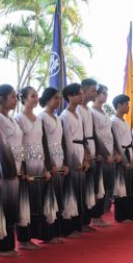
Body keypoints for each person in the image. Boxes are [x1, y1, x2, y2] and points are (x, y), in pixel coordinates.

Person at [15, 86, 52, 247]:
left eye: (37, 96)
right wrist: (22, 167)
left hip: (39, 162)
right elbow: (18, 144)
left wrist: (45, 167)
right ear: (23, 99)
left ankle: (36, 234)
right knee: (26, 202)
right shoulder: (18, 118)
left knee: (38, 201)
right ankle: (24, 239)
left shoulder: (39, 120)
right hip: (26, 164)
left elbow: (42, 143)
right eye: (32, 96)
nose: (36, 99)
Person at [0, 84, 25, 257]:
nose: (15, 100)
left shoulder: (10, 119)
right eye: (12, 97)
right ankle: (3, 246)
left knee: (12, 206)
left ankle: (10, 245)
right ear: (2, 99)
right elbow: (1, 146)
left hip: (15, 168)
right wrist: (9, 170)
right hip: (6, 171)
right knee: (5, 206)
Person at [39, 87, 71, 241]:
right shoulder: (42, 117)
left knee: (59, 197)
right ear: (47, 99)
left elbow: (62, 141)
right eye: (55, 98)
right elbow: (42, 142)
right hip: (49, 161)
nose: (58, 101)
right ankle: (48, 234)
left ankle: (57, 232)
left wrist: (64, 162)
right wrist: (47, 164)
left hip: (59, 159)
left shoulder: (58, 118)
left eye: (59, 98)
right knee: (49, 198)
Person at [60, 83, 88, 234]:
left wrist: (84, 159)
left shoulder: (79, 114)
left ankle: (79, 224)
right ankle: (69, 227)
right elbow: (67, 140)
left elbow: (81, 137)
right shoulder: (65, 116)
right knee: (71, 192)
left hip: (81, 150)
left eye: (82, 93)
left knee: (80, 191)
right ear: (70, 97)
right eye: (79, 93)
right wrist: (74, 161)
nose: (82, 95)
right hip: (72, 154)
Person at [80, 78, 107, 229]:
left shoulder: (88, 110)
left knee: (92, 187)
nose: (94, 94)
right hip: (84, 151)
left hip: (93, 149)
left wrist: (99, 151)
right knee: (85, 188)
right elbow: (80, 134)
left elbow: (94, 133)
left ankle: (88, 219)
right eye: (93, 91)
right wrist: (87, 153)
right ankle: (83, 221)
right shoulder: (77, 109)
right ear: (83, 90)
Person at [111, 94, 133, 222]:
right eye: (126, 104)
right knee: (122, 187)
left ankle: (131, 213)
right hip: (122, 153)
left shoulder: (124, 121)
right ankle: (121, 216)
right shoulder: (113, 121)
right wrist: (124, 159)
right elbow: (115, 142)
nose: (128, 106)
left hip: (129, 151)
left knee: (130, 186)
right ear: (119, 105)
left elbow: (130, 141)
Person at [91, 84, 116, 221]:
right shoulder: (92, 112)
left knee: (106, 185)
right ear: (96, 95)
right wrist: (105, 153)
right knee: (98, 185)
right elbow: (96, 134)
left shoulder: (104, 111)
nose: (106, 96)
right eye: (103, 93)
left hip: (110, 151)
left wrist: (113, 151)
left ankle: (101, 213)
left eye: (107, 93)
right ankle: (96, 216)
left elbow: (109, 133)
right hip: (101, 152)